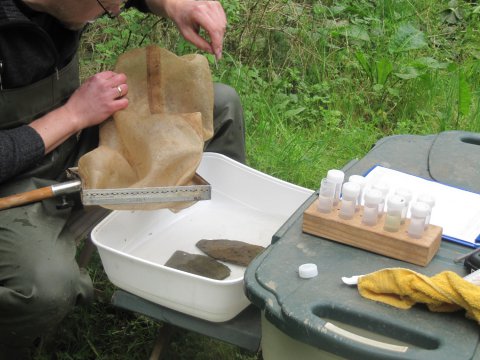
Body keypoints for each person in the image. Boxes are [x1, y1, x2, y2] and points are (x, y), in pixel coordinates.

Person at [0, 0, 245, 357]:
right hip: (14, 182)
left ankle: (212, 257)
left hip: (74, 140)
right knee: (46, 288)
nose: (115, 13)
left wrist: (173, 5)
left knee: (219, 104)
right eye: (107, 6)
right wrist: (72, 115)